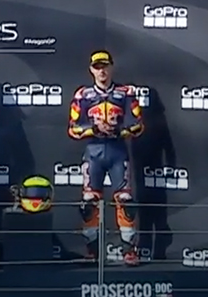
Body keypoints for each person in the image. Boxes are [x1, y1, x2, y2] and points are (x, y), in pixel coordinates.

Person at [67, 50, 144, 265]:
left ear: (112, 67)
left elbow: (138, 124)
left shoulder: (125, 93)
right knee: (89, 203)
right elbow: (73, 128)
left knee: (126, 202)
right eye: (97, 67)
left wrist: (118, 129)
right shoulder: (83, 96)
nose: (101, 71)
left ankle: (129, 251)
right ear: (91, 70)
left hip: (118, 151)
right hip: (93, 153)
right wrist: (94, 128)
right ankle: (92, 251)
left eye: (105, 66)